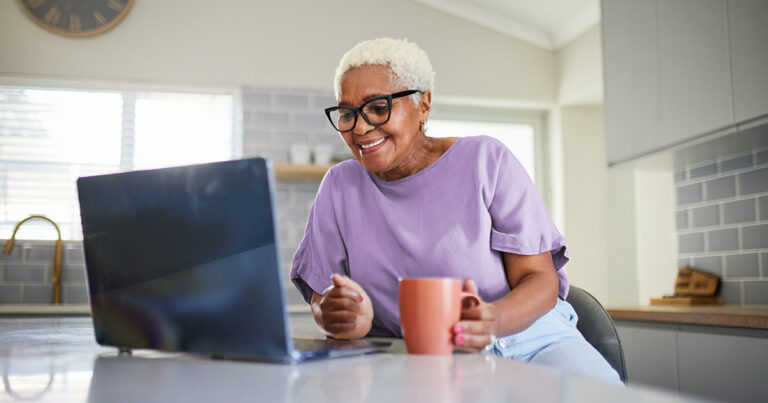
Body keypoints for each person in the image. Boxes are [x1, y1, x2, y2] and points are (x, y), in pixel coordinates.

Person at [290, 38, 621, 385]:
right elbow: (322, 300)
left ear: (424, 105)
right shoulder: (339, 187)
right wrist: (337, 317)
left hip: (530, 344)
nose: (359, 127)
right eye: (347, 113)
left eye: (378, 107)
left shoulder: (486, 161)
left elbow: (540, 279)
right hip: (424, 364)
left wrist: (492, 321)